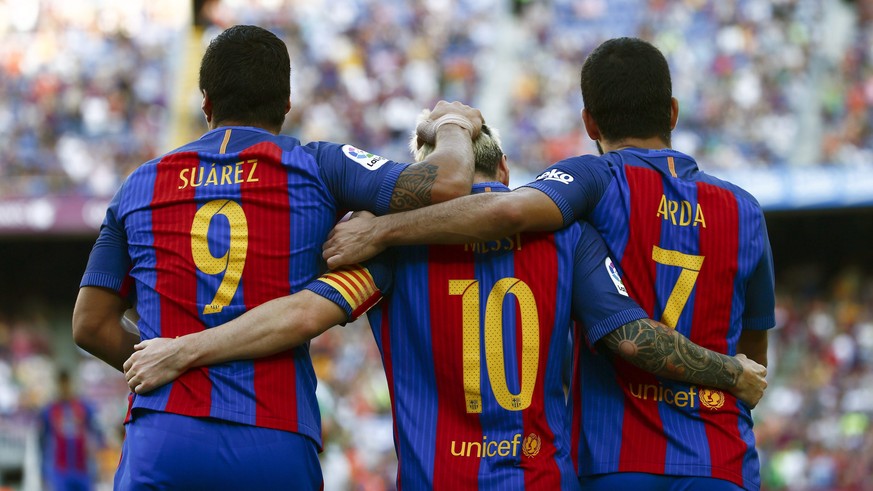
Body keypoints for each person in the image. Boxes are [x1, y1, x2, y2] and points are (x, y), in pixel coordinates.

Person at [124, 116, 766, 489]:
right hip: (543, 478)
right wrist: (731, 372)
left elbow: (303, 314)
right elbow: (628, 332)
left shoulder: (389, 250)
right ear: (508, 166)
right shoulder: (569, 235)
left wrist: (185, 350)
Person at [321, 37, 774, 491]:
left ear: (589, 122)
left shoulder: (593, 180)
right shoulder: (744, 209)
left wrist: (381, 228)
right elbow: (754, 354)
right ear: (672, 112)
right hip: (721, 457)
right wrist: (731, 373)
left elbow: (507, 211)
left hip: (618, 459)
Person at [71, 25, 483, 490]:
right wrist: (452, 122)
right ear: (286, 106)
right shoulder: (319, 165)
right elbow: (449, 182)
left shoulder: (140, 184)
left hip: (164, 440)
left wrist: (170, 367)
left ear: (206, 102)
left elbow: (90, 324)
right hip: (274, 438)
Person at [38, 370, 104, 491]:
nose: (64, 388)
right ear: (57, 385)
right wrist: (43, 472)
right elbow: (42, 441)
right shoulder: (49, 410)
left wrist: (97, 450)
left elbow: (97, 431)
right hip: (60, 469)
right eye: (61, 384)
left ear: (71, 384)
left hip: (83, 468)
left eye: (67, 384)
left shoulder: (83, 406)